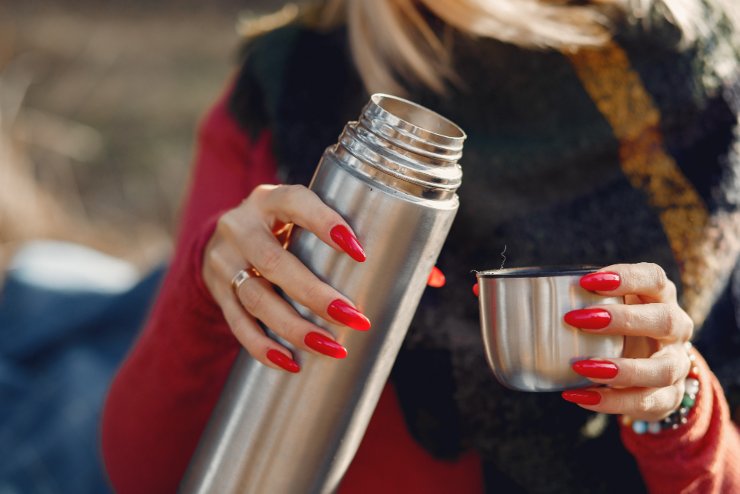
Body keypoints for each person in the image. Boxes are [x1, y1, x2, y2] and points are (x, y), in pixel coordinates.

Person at [101, 0, 740, 492]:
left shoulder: (711, 93)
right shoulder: (296, 79)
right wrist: (204, 289)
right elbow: (142, 474)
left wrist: (679, 406)